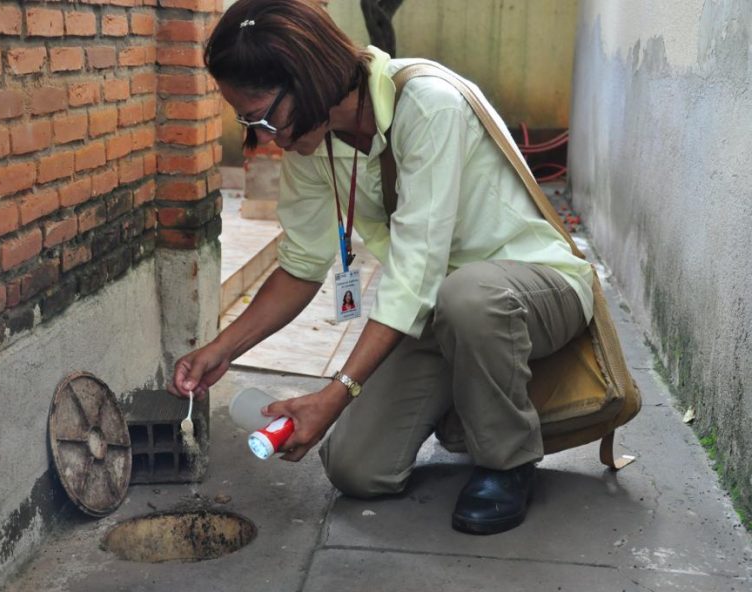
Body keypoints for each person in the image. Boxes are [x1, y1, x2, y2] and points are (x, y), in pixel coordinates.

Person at [169, 0, 594, 535]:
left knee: (469, 298)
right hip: (441, 306)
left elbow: (415, 272)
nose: (263, 135)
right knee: (355, 469)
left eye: (261, 115)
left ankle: (506, 461)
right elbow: (301, 266)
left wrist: (337, 390)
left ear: (307, 78)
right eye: (245, 120)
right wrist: (220, 350)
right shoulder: (312, 144)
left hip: (532, 286)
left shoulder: (430, 104)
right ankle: (468, 399)